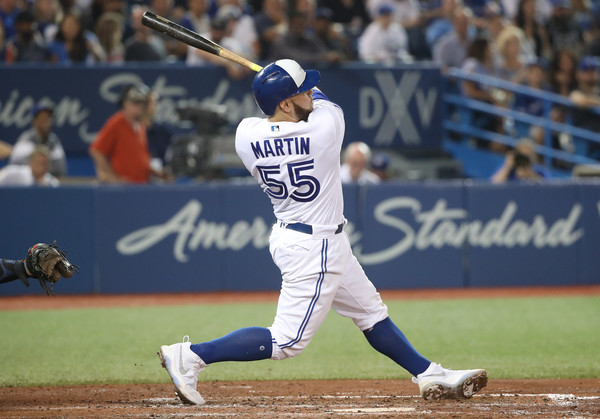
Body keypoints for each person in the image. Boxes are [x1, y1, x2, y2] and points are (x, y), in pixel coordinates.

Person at [157, 58, 488, 405]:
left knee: (370, 312)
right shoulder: (324, 129)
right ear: (285, 103)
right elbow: (323, 100)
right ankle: (192, 355)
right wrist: (283, 81)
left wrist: (280, 86)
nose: (309, 94)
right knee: (287, 341)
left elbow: (281, 113)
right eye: (301, 90)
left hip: (299, 235)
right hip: (315, 246)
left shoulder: (246, 134)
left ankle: (427, 372)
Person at [89, 84, 156, 183]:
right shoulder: (117, 122)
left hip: (142, 186)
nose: (140, 106)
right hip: (123, 189)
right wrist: (112, 177)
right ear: (125, 103)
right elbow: (96, 151)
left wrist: (155, 172)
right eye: (135, 103)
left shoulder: (140, 125)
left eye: (142, 103)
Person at [9, 98, 67, 178]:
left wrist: (41, 168)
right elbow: (15, 167)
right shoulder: (26, 139)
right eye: (43, 117)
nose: (47, 121)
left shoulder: (53, 140)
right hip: (24, 185)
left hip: (46, 185)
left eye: (49, 118)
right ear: (35, 121)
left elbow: (60, 169)